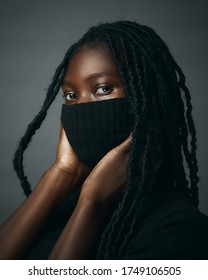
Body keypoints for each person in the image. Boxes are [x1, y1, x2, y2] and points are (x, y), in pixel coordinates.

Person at [0, 20, 208, 260]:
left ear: (149, 101)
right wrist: (62, 172)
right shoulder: (58, 207)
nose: (81, 108)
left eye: (103, 89)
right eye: (71, 95)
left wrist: (93, 204)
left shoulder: (181, 234)